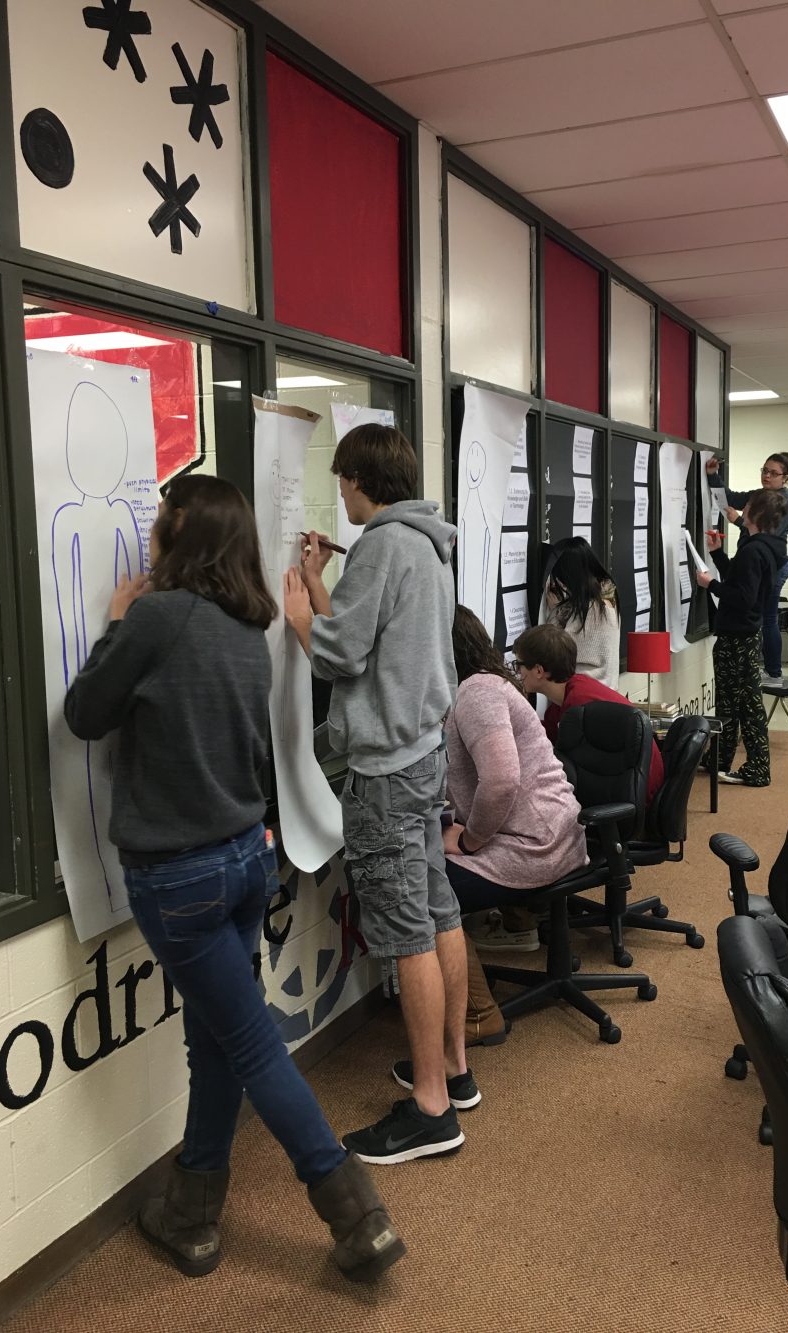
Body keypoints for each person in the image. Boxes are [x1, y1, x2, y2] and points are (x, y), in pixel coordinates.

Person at [64, 474, 404, 1283]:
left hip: (178, 879)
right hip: (247, 860)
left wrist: (113, 626)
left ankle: (355, 1214)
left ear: (177, 535)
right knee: (218, 1042)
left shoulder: (152, 617)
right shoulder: (243, 625)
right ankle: (191, 1214)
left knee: (246, 1043)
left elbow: (84, 713)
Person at [283, 423, 471, 1165]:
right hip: (422, 754)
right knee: (436, 908)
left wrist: (301, 617)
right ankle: (453, 1069)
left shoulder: (383, 546)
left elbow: (339, 652)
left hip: (386, 772)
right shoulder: (424, 544)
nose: (339, 494)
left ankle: (430, 1109)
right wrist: (327, 583)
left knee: (405, 933)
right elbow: (373, 641)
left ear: (363, 480)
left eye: (342, 481)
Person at [436, 607, 589, 1045]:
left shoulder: (478, 692)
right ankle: (519, 925)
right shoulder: (491, 683)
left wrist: (469, 839)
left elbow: (502, 781)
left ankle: (478, 1013)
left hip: (537, 846)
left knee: (422, 887)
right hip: (552, 834)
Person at [695, 488, 788, 788]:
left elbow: (742, 596)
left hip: (738, 636)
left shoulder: (753, 550)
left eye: (747, 505)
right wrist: (718, 555)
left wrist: (710, 585)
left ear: (756, 514)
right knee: (733, 702)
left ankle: (756, 769)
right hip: (745, 634)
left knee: (744, 705)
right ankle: (720, 759)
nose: (742, 508)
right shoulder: (764, 546)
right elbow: (739, 577)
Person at [511, 622, 665, 801]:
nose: (516, 672)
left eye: (519, 665)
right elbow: (543, 734)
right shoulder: (569, 695)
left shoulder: (580, 707)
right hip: (631, 785)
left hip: (636, 794)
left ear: (538, 671)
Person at [706, 452, 788, 686]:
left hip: (773, 567)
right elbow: (730, 498)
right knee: (763, 615)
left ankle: (773, 673)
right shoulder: (760, 496)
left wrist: (739, 521)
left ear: (785, 477)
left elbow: (767, 535)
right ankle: (766, 669)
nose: (766, 476)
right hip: (758, 562)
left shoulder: (784, 503)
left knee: (767, 617)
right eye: (764, 471)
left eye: (773, 473)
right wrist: (712, 475)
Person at [544, 537, 621, 688]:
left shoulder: (591, 609)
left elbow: (554, 648)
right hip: (603, 692)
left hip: (584, 696)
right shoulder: (606, 597)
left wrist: (554, 612)